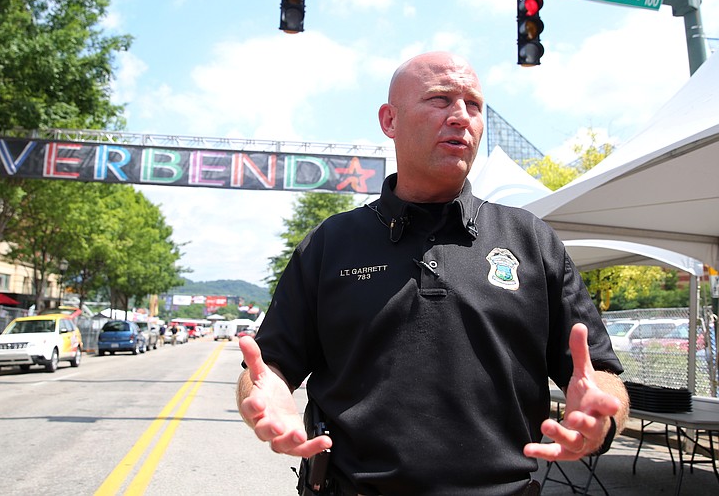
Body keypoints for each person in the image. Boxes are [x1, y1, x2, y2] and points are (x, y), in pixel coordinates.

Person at [237, 51, 629, 495]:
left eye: (474, 105)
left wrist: (604, 413)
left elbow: (600, 373)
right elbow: (266, 368)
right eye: (441, 99)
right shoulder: (330, 243)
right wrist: (264, 396)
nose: (461, 116)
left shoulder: (532, 241)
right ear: (389, 120)